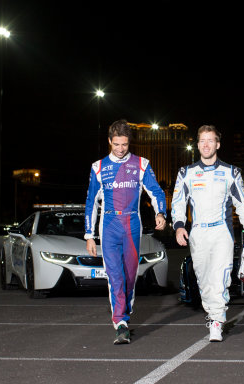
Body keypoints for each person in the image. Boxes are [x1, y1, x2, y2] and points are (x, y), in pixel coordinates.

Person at [172, 125, 244, 342]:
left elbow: (242, 204)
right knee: (203, 279)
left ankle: (217, 320)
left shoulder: (231, 172)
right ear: (197, 144)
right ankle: (212, 313)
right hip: (198, 233)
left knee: (220, 278)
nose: (206, 144)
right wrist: (179, 225)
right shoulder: (186, 173)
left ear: (218, 144)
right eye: (202, 140)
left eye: (210, 140)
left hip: (222, 232)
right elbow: (178, 203)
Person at [84, 119, 167, 345]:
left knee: (130, 276)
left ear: (129, 142)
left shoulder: (141, 164)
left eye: (125, 145)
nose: (120, 149)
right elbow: (91, 202)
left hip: (132, 224)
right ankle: (120, 322)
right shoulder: (98, 167)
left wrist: (161, 214)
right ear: (109, 141)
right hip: (109, 224)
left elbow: (156, 192)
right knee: (115, 276)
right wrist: (89, 235)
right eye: (116, 144)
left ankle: (125, 311)